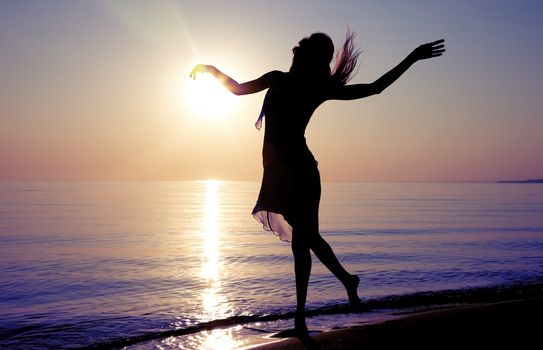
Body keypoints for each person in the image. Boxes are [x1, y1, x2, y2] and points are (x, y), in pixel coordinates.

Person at [191, 32, 445, 348]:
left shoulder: (306, 85)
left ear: (305, 58)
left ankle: (305, 314)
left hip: (299, 169)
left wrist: (411, 58)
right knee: (304, 239)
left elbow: (373, 89)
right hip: (281, 170)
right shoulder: (285, 80)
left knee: (304, 240)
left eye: (300, 52)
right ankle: (331, 293)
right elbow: (237, 89)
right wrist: (210, 69)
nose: (295, 54)